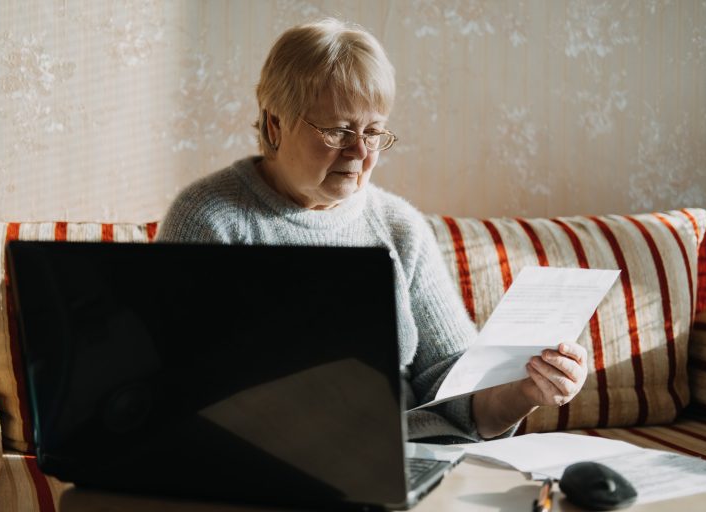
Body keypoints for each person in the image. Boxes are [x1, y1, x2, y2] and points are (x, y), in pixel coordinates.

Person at [158, 18, 587, 443]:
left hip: (403, 454)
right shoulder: (209, 218)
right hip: (257, 453)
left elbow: (458, 394)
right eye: (338, 131)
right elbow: (169, 381)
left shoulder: (399, 227)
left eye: (373, 132)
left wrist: (525, 391)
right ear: (275, 125)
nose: (360, 151)